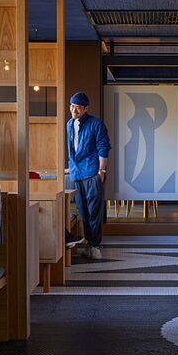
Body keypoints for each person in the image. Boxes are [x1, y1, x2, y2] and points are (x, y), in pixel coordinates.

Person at [67, 92, 111, 260]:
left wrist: (101, 171)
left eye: (78, 107)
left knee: (94, 211)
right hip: (77, 173)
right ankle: (89, 244)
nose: (74, 110)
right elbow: (72, 149)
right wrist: (70, 168)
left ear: (86, 108)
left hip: (93, 172)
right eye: (72, 106)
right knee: (82, 211)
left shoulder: (96, 124)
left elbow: (103, 147)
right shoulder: (69, 124)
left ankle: (95, 246)